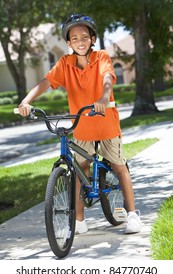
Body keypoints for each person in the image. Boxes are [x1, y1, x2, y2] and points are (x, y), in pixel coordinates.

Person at [18, 14, 141, 234]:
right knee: (79, 168)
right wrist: (27, 101)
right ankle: (79, 220)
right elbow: (46, 82)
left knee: (119, 166)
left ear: (93, 39)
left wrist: (104, 98)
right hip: (82, 126)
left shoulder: (102, 56)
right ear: (68, 43)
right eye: (74, 38)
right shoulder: (65, 63)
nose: (80, 41)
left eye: (84, 37)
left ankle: (132, 215)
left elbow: (107, 78)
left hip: (106, 125)